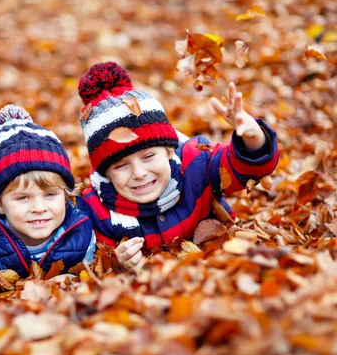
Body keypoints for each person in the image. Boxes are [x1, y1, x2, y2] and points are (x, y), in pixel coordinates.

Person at [75, 62, 279, 270]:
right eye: (121, 166)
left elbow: (245, 169)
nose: (139, 173)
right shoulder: (99, 210)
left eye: (149, 156)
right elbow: (97, 265)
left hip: (220, 267)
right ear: (106, 172)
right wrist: (118, 263)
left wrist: (253, 139)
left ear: (169, 150)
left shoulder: (197, 165)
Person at [0, 104, 95, 296]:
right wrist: (17, 297)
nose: (39, 208)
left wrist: (69, 283)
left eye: (50, 195)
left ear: (66, 195)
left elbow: (90, 279)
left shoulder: (80, 232)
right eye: (23, 198)